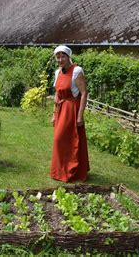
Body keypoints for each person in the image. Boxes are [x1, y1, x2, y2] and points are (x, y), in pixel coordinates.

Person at [50, 45, 90, 182]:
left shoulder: (76, 71)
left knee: (66, 139)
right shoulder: (57, 72)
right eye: (58, 57)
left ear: (68, 57)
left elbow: (84, 93)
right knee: (60, 140)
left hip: (72, 109)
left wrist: (80, 115)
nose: (60, 59)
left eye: (63, 56)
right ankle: (60, 171)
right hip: (61, 109)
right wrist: (54, 113)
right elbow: (57, 94)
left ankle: (72, 171)